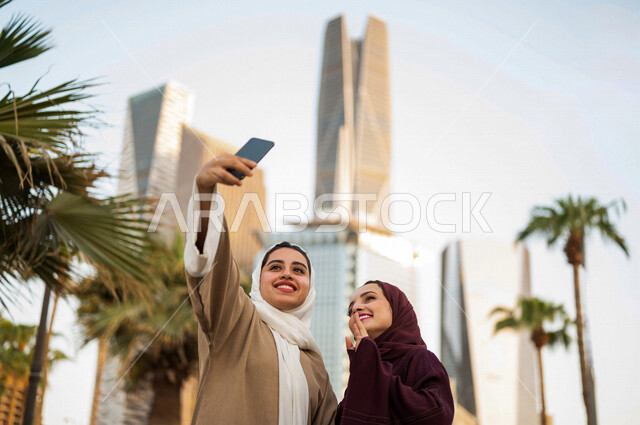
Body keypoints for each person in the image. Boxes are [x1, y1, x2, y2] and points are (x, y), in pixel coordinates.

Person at [184, 153, 337, 425]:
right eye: (276, 267)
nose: (287, 273)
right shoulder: (235, 321)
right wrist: (206, 191)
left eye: (299, 270)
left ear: (309, 290)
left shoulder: (315, 365)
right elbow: (213, 265)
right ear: (258, 279)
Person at [336, 280, 454, 425]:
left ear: (396, 307)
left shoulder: (420, 358)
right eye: (350, 310)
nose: (356, 308)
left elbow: (437, 415)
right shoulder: (361, 369)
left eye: (370, 298)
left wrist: (372, 369)